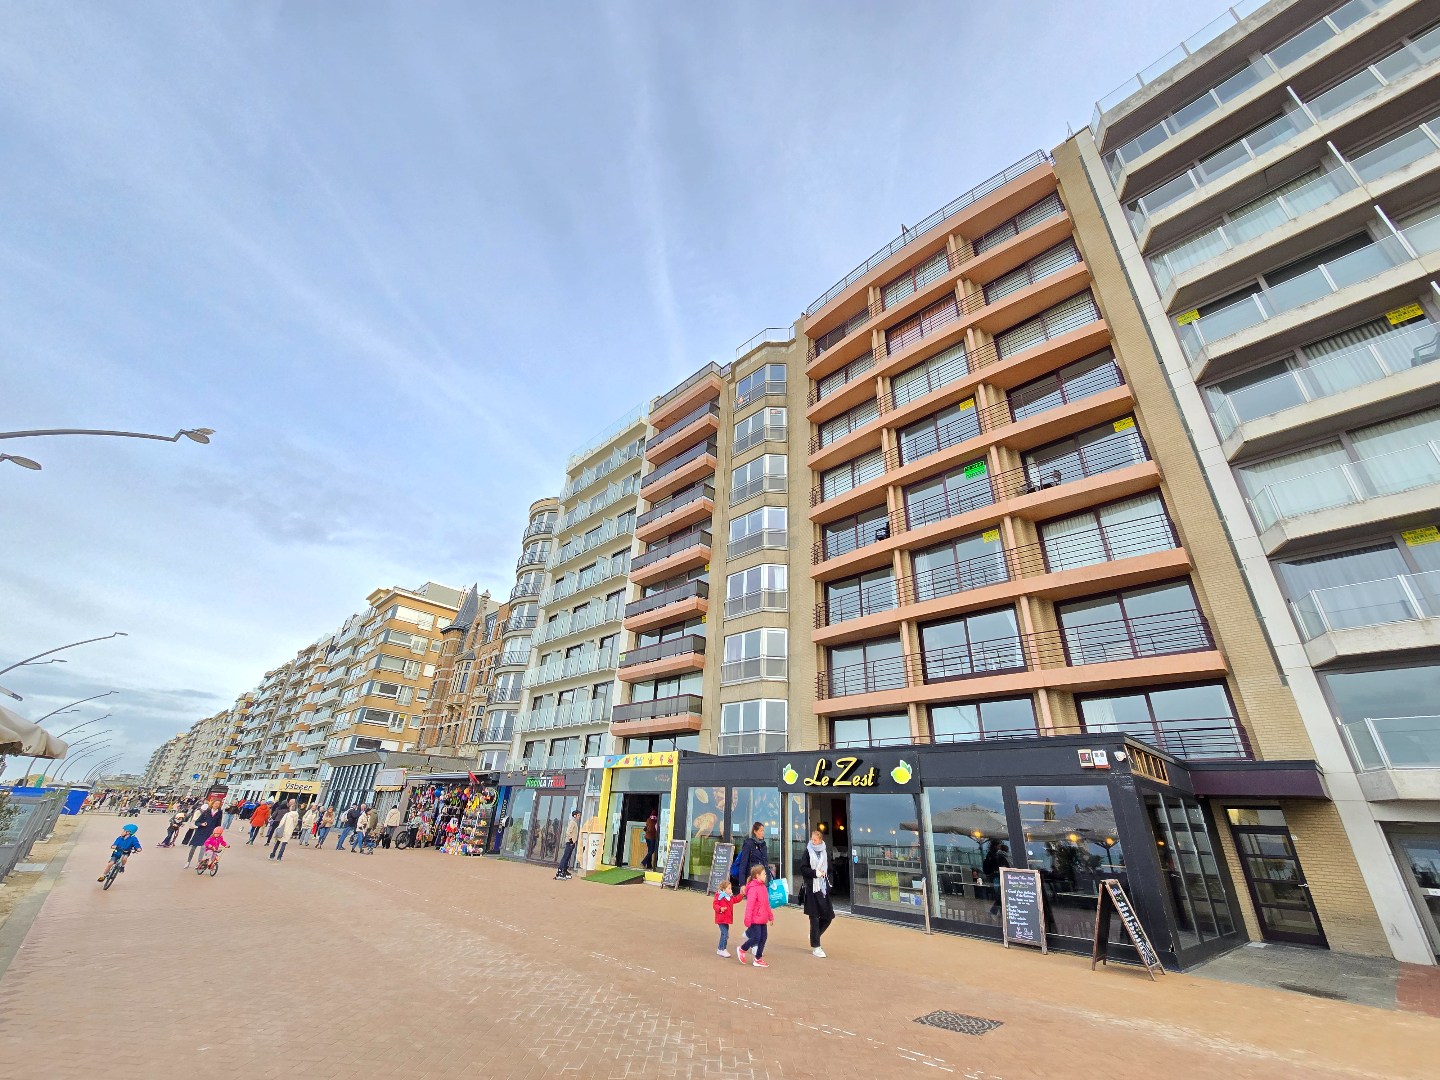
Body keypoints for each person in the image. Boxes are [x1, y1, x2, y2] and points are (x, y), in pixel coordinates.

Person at [800, 830, 835, 958]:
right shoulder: (808, 852)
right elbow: (803, 869)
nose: (813, 842)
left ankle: (814, 935)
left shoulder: (825, 852)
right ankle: (816, 947)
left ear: (820, 840)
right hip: (811, 888)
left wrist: (828, 880)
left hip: (823, 888)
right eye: (812, 839)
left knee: (828, 916)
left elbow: (830, 869)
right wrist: (815, 873)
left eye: (815, 840)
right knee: (814, 917)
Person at [737, 864, 774, 969]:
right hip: (755, 918)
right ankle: (742, 949)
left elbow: (766, 904)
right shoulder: (753, 888)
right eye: (764, 874)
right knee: (756, 937)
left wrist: (770, 917)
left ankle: (758, 959)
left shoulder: (763, 887)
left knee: (763, 937)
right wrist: (747, 919)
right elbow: (750, 906)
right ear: (757, 876)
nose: (765, 875)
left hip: (763, 918)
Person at [184, 795, 224, 868]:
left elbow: (218, 824)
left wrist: (217, 833)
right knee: (193, 847)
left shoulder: (219, 813)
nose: (216, 805)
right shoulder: (206, 811)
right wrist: (201, 824)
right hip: (200, 831)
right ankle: (188, 861)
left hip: (210, 833)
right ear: (212, 804)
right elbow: (197, 822)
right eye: (215, 803)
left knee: (203, 847)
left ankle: (199, 862)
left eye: (218, 804)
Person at [735, 821, 771, 889]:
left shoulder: (764, 845)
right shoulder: (748, 844)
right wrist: (742, 884)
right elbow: (743, 864)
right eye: (760, 831)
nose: (763, 833)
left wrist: (769, 877)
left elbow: (765, 862)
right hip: (753, 878)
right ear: (755, 831)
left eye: (763, 831)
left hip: (764, 879)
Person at [713, 878, 739, 957]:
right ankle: (723, 949)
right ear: (724, 889)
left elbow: (736, 900)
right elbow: (715, 905)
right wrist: (720, 908)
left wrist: (741, 895)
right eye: (729, 888)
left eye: (731, 888)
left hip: (726, 919)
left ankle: (720, 949)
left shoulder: (729, 897)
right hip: (721, 919)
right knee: (725, 934)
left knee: (724, 934)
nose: (731, 890)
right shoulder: (719, 896)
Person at [984, 841, 1010, 916]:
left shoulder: (994, 855)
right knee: (1001, 895)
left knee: (1000, 896)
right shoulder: (1001, 856)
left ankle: (996, 912)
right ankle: (998, 912)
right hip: (999, 877)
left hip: (996, 877)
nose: (999, 848)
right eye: (998, 846)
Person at [554, 809, 580, 880]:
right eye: (578, 815)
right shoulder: (572, 822)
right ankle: (560, 871)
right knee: (565, 857)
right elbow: (568, 833)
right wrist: (571, 842)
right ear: (575, 816)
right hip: (569, 843)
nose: (579, 816)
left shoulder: (574, 822)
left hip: (572, 843)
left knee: (568, 857)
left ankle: (564, 870)